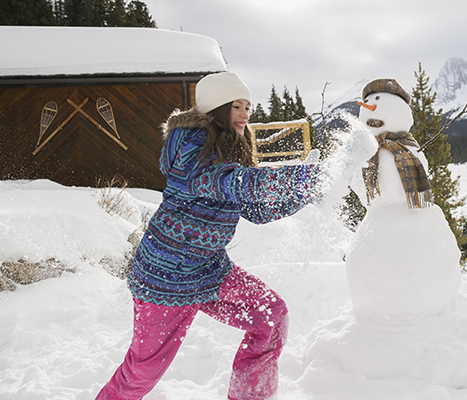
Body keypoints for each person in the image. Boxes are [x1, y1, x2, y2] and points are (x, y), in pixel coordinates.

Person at [96, 71, 320, 400]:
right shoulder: (191, 151)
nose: (245, 114)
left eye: (248, 106)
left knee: (270, 318)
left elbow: (255, 209)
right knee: (142, 370)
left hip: (208, 271)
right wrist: (308, 177)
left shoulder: (228, 149)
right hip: (165, 280)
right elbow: (238, 183)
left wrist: (308, 192)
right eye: (237, 106)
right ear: (217, 107)